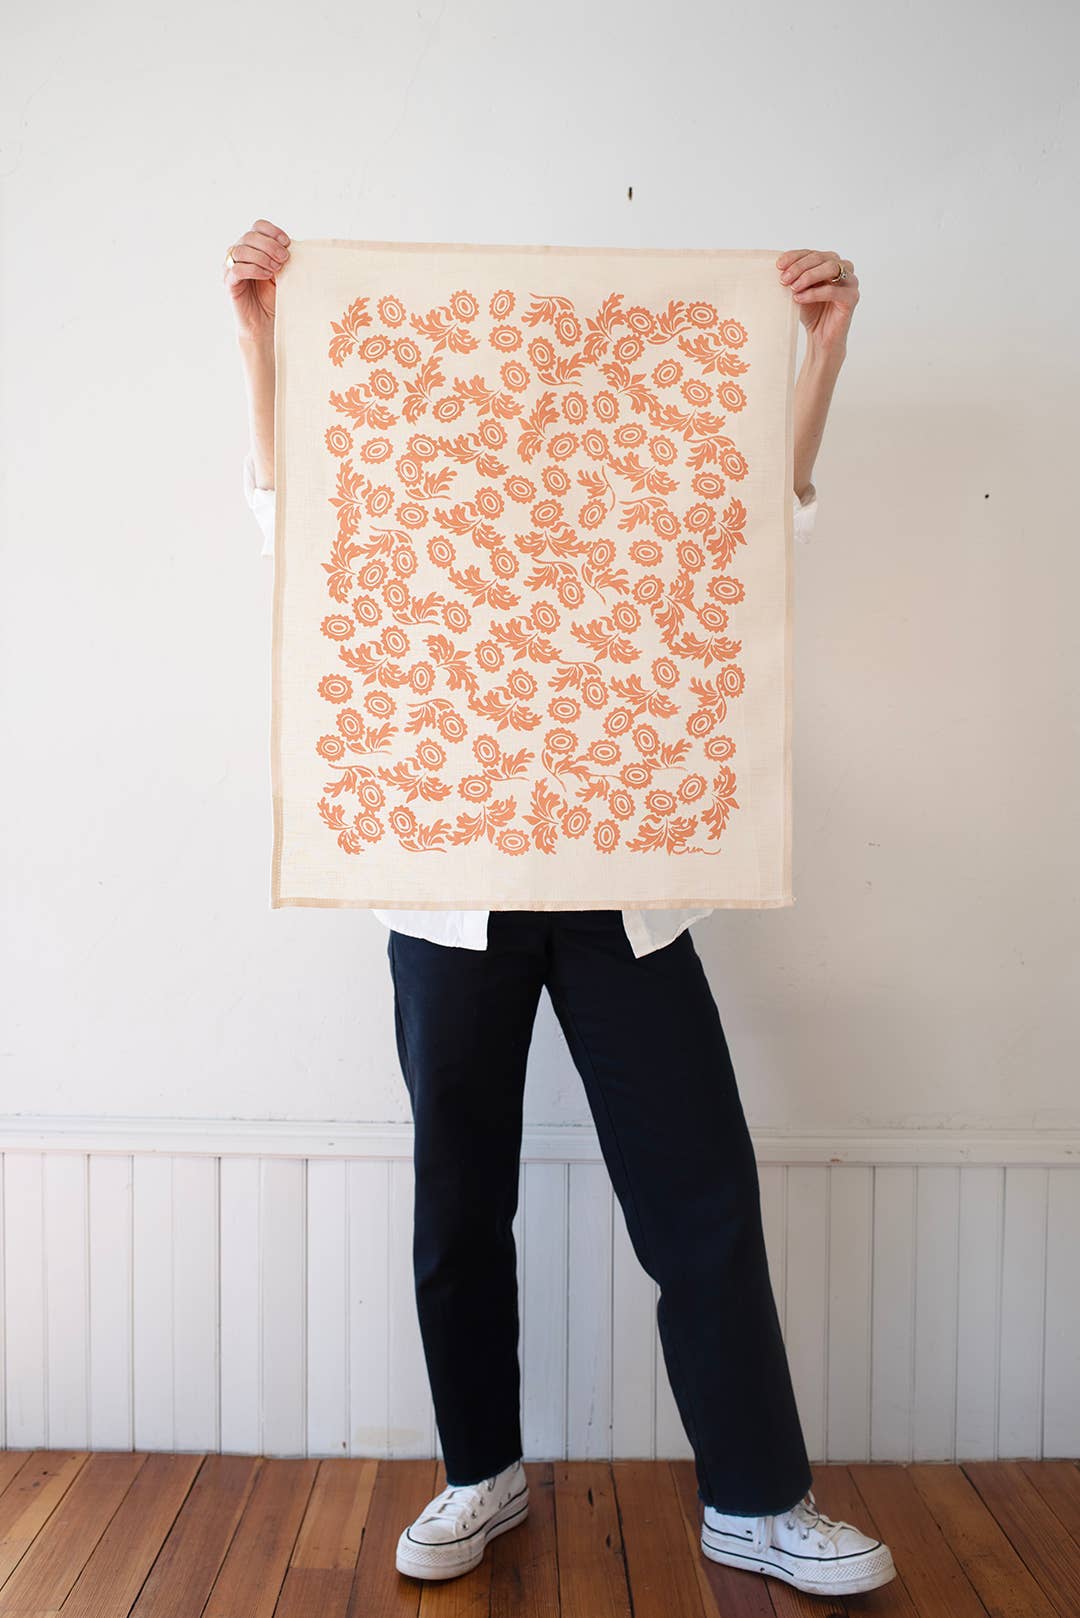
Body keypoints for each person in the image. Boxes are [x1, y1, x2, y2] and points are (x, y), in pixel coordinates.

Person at [225, 221, 896, 1599]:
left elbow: (751, 531)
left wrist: (819, 352)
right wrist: (260, 337)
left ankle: (759, 1498)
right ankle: (480, 1471)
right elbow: (306, 529)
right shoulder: (420, 479)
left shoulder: (625, 494)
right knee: (457, 1195)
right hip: (448, 891)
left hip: (626, 889)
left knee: (698, 1186)